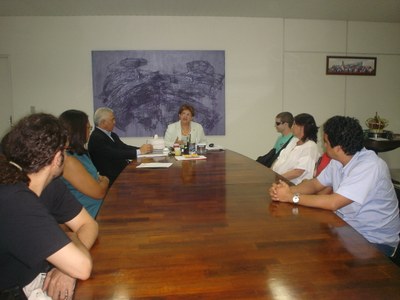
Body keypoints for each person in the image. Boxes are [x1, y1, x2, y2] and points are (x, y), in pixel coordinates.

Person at [269, 115, 400, 264]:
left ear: (338, 148)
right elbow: (315, 184)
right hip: (347, 229)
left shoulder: (370, 166)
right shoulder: (340, 159)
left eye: (326, 142)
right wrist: (286, 191)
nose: (324, 146)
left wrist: (291, 197)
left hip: (374, 241)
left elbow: (334, 203)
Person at [0, 113, 98, 299]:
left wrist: (66, 268)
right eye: (65, 151)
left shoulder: (51, 185)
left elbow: (89, 224)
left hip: (35, 277)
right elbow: (82, 267)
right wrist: (70, 238)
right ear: (56, 158)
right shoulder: (14, 200)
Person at [59, 109, 109, 218]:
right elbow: (99, 192)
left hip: (99, 208)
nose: (90, 131)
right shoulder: (69, 161)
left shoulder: (80, 154)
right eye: (88, 128)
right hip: (91, 215)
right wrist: (105, 181)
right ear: (78, 130)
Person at [88, 107, 153, 186]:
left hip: (122, 172)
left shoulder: (112, 135)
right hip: (112, 178)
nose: (115, 122)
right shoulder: (96, 138)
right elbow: (114, 153)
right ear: (103, 122)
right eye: (112, 120)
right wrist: (139, 152)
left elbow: (123, 147)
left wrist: (141, 149)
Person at [272, 113, 320, 184]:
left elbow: (298, 172)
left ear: (302, 127)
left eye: (294, 124)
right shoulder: (294, 140)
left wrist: (277, 178)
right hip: (279, 180)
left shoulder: (310, 146)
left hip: (292, 185)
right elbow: (279, 159)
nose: (291, 126)